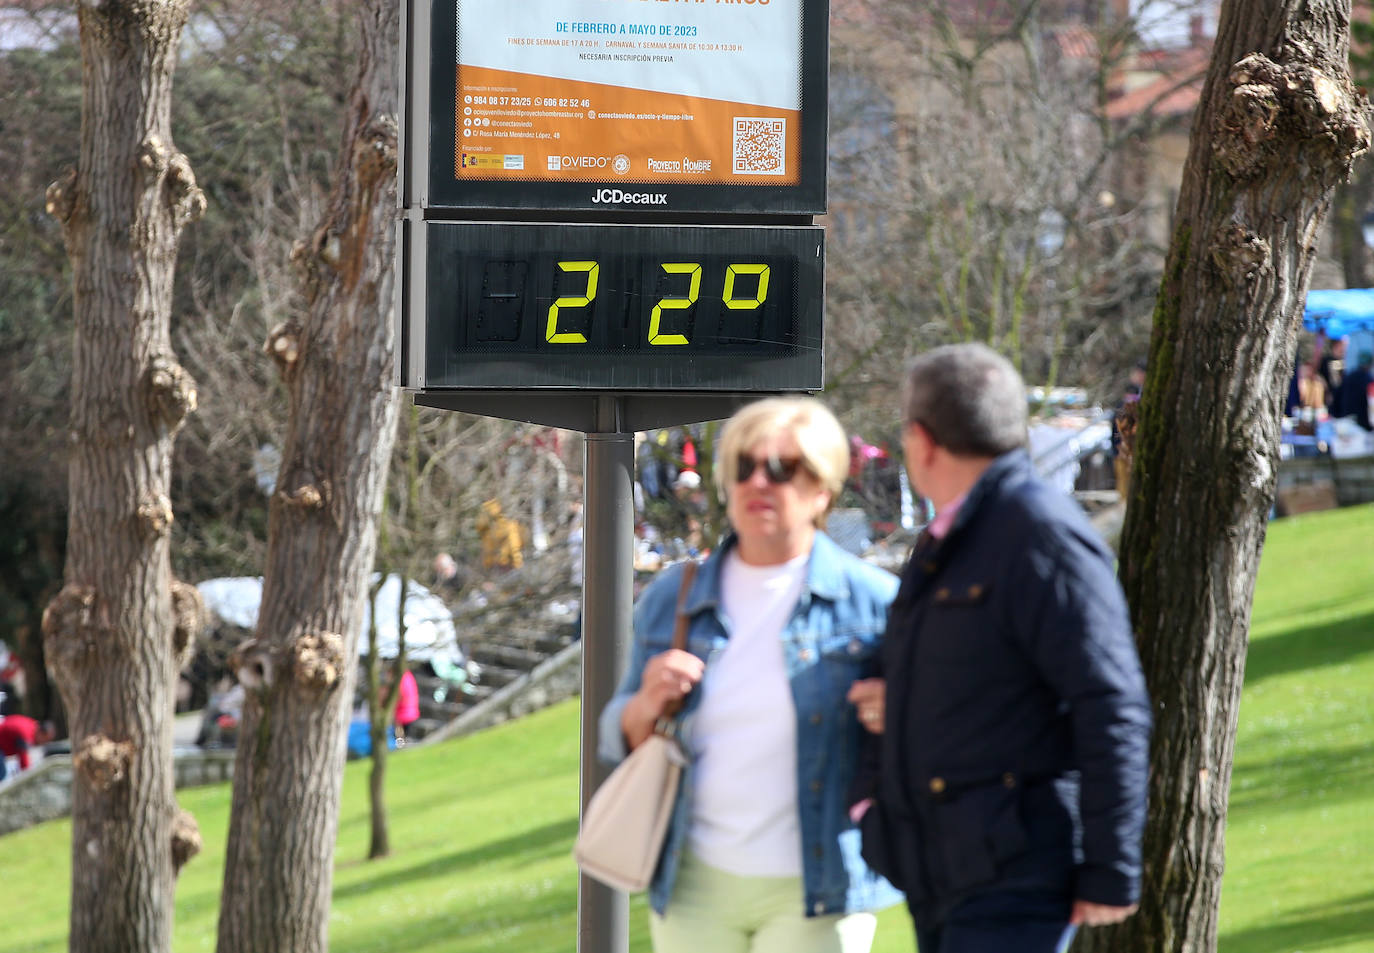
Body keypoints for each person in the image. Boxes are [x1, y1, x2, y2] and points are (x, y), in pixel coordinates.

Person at [851, 343, 1152, 953]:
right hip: (945, 870)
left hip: (1012, 877)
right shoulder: (952, 535)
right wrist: (872, 808)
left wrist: (1111, 867)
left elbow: (1110, 704)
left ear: (922, 440)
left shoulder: (1039, 535)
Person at [599, 396, 901, 953]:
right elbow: (615, 732)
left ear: (823, 491)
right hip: (694, 886)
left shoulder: (875, 603)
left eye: (783, 469)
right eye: (744, 467)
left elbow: (929, 734)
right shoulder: (676, 595)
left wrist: (897, 711)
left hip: (819, 885)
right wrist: (645, 704)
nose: (759, 481)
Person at [0, 714, 54, 780]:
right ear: (41, 733)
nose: (44, 743)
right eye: (45, 740)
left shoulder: (31, 725)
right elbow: (24, 762)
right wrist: (29, 780)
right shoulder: (25, 733)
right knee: (2, 775)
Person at [1335, 351, 1373, 430]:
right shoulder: (1369, 380)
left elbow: (1336, 398)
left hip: (1344, 421)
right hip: (1362, 426)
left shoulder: (1348, 377)